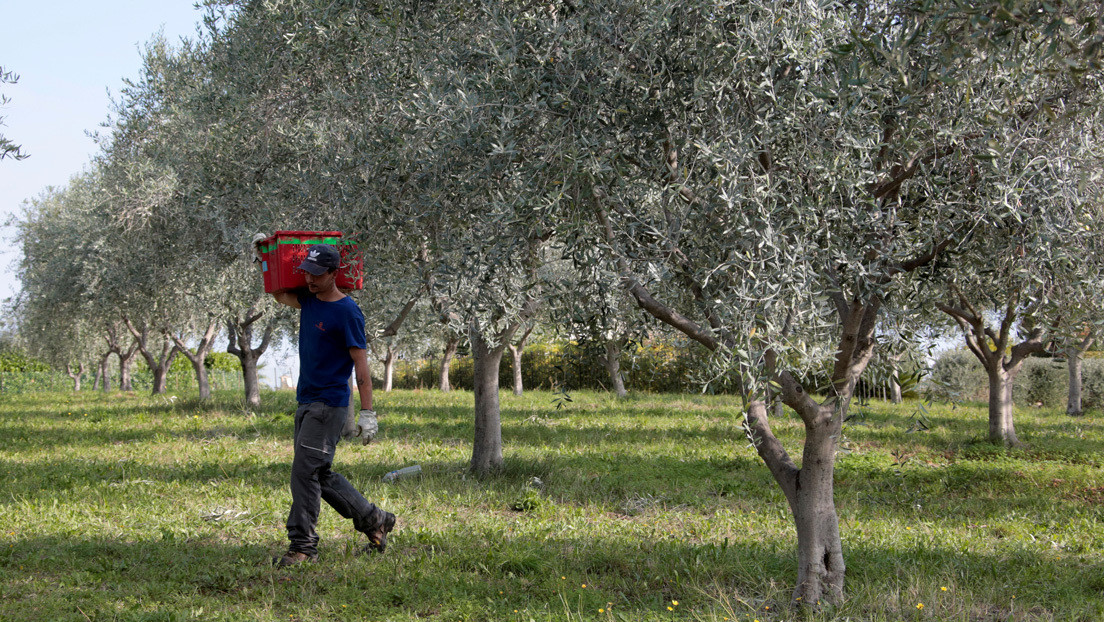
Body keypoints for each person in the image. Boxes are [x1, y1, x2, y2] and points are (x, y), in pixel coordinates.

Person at [268, 242, 395, 567]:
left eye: (317, 274)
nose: (310, 280)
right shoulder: (309, 302)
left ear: (334, 273)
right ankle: (375, 520)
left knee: (303, 472)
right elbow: (278, 294)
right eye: (306, 273)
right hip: (306, 401)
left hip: (329, 405)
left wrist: (367, 411)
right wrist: (264, 259)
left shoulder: (347, 312)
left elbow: (362, 366)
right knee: (318, 474)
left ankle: (303, 547)